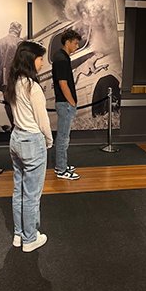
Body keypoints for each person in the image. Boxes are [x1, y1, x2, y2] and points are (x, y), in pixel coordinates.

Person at [5, 40, 53, 253]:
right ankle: (30, 238)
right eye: (40, 58)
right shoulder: (32, 87)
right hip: (33, 141)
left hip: (16, 139)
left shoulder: (14, 82)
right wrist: (49, 140)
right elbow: (43, 121)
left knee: (19, 191)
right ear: (30, 60)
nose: (42, 62)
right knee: (32, 194)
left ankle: (19, 234)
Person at [51, 29, 81, 180]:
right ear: (67, 42)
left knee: (64, 137)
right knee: (63, 137)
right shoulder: (61, 58)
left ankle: (61, 165)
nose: (77, 46)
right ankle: (61, 170)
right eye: (75, 43)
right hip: (65, 104)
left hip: (64, 103)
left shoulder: (62, 57)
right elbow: (63, 84)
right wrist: (73, 102)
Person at [0, 21, 23, 124]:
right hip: (16, 80)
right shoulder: (20, 42)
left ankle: (12, 127)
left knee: (8, 105)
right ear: (19, 30)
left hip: (3, 80)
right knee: (18, 107)